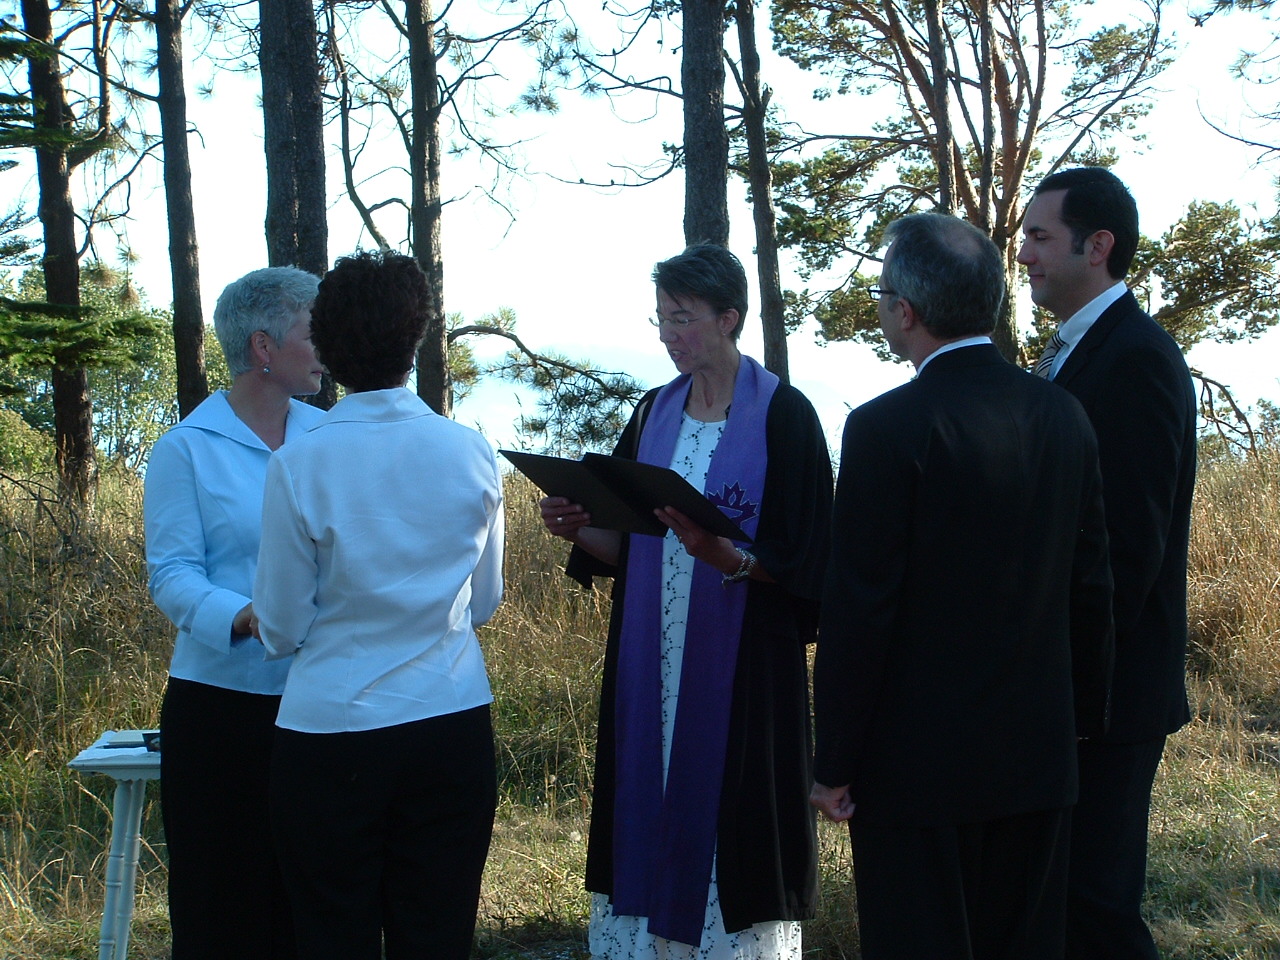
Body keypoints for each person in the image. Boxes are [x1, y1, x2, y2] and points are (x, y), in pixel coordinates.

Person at [810, 212, 1115, 960]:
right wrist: (1082, 724)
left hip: (917, 770)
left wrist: (834, 763)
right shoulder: (1063, 414)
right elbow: (1092, 583)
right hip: (1040, 755)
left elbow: (861, 607)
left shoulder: (887, 428)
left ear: (904, 312)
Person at [541, 244, 832, 959]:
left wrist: (725, 556)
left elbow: (811, 563)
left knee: (731, 811)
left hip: (743, 670)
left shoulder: (785, 417)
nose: (669, 335)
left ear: (728, 318)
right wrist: (578, 524)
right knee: (648, 789)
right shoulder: (651, 414)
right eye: (662, 319)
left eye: (683, 319)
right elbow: (630, 546)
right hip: (653, 662)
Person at [252, 250, 504, 960]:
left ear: (329, 349)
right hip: (450, 721)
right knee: (439, 931)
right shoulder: (471, 452)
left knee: (333, 934)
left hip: (331, 730)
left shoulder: (299, 462)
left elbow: (281, 625)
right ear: (416, 336)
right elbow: (483, 602)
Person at [1019, 167, 1198, 960]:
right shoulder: (1074, 350)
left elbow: (1129, 545)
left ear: (1098, 247)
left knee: (1097, 909)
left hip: (1107, 692)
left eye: (1038, 236)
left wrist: (1074, 687)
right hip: (1069, 687)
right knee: (1057, 902)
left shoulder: (1137, 359)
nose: (1021, 252)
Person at [143, 266, 325, 958]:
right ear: (263, 348)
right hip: (220, 710)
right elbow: (173, 576)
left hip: (320, 701)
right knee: (222, 903)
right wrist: (249, 616)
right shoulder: (185, 448)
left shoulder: (330, 436)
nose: (327, 346)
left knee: (311, 898)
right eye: (314, 331)